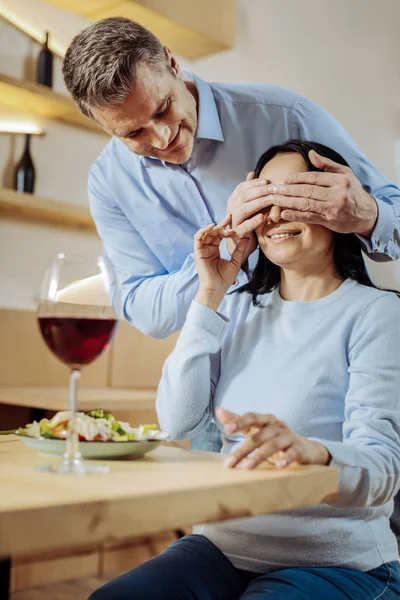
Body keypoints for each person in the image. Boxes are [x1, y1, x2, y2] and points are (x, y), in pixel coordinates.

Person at [62, 17, 400, 455]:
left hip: (331, 368)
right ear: (103, 126)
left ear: (171, 63)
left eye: (163, 109)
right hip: (216, 376)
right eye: (134, 133)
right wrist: (222, 254)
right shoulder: (110, 182)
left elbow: (375, 462)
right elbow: (143, 309)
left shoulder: (286, 118)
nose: (162, 136)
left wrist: (367, 213)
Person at [89, 141, 400, 600]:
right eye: (264, 198)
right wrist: (210, 294)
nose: (274, 214)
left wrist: (312, 452)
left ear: (334, 205)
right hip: (222, 546)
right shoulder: (234, 309)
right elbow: (176, 421)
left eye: (295, 196)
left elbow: (383, 469)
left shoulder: (377, 313)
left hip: (336, 561)